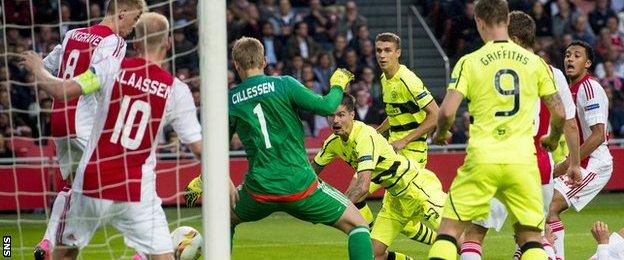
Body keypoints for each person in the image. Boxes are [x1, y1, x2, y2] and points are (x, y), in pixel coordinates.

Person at [21, 12, 205, 260]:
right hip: (136, 189)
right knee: (163, 257)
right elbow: (198, 148)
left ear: (136, 43)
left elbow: (63, 91)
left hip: (93, 180)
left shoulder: (110, 67)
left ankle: (47, 241)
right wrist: (222, 180)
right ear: (169, 43)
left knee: (65, 254)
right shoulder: (177, 90)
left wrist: (39, 69)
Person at [187, 36, 372, 259]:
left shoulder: (230, 100)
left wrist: (204, 178)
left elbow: (214, 149)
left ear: (236, 65)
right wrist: (338, 83)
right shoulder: (284, 84)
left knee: (221, 222)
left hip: (259, 190)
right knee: (358, 225)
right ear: (264, 61)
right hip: (300, 186)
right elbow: (328, 106)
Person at [427, 0, 577, 258]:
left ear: (479, 22)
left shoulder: (469, 61)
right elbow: (561, 113)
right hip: (524, 161)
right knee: (532, 238)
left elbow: (448, 112)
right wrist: (552, 139)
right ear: (507, 21)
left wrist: (442, 134)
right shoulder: (536, 64)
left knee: (455, 231)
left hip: (483, 158)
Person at [32, 0, 145, 259]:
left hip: (60, 121)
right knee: (126, 178)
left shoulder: (72, 34)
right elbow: (105, 81)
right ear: (122, 12)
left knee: (69, 188)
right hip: (88, 124)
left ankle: (47, 244)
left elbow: (47, 67)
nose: (134, 26)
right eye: (135, 19)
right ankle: (143, 251)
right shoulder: (115, 42)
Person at [313, 93, 446, 260]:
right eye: (331, 115)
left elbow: (363, 187)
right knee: (374, 255)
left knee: (453, 236)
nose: (335, 120)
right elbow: (310, 174)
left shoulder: (364, 136)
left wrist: (337, 210)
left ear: (352, 114)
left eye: (341, 115)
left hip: (417, 187)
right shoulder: (333, 143)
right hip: (395, 199)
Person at [353, 31, 440, 245]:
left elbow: (435, 115)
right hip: (392, 151)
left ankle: (448, 240)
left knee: (407, 215)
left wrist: (405, 140)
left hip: (412, 156)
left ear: (398, 53)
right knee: (357, 188)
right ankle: (373, 237)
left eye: (388, 50)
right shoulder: (385, 78)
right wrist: (378, 131)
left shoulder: (408, 80)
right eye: (379, 51)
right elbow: (396, 114)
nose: (382, 55)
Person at [547, 40, 614, 259]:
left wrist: (568, 164)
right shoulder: (570, 89)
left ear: (588, 63)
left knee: (550, 206)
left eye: (577, 55)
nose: (570, 59)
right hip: (580, 160)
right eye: (567, 55)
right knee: (546, 207)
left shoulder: (589, 87)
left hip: (595, 162)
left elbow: (598, 135)